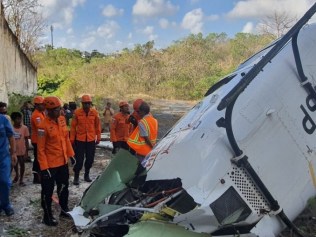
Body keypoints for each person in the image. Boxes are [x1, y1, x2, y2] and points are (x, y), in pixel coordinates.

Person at [37, 96, 74, 226]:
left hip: (62, 162)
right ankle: (47, 216)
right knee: (47, 191)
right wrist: (44, 168)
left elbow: (66, 139)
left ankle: (64, 210)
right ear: (50, 110)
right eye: (58, 109)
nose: (61, 111)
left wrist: (71, 155)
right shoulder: (43, 126)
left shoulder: (62, 120)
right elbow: (40, 149)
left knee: (64, 188)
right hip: (50, 165)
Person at [70, 94, 101, 185]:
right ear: (82, 104)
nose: (86, 105)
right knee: (79, 160)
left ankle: (86, 175)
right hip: (80, 140)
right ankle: (76, 176)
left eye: (88, 103)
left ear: (90, 104)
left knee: (90, 159)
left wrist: (98, 137)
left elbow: (97, 126)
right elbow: (73, 127)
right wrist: (72, 139)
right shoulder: (77, 113)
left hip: (91, 140)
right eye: (85, 103)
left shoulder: (95, 113)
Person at [0, 111, 17, 216]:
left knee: (5, 182)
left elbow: (11, 136)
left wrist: (13, 153)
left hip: (3, 157)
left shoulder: (3, 120)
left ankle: (6, 205)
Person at [10, 112, 30, 186]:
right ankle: (17, 175)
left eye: (20, 119)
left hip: (22, 150)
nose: (19, 120)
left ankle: (21, 179)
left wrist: (26, 151)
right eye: (17, 119)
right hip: (13, 150)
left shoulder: (24, 128)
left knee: (22, 164)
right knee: (14, 164)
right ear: (13, 120)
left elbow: (26, 140)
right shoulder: (11, 128)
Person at [30, 96, 46, 184]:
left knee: (39, 158)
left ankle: (39, 176)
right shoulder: (36, 115)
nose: (44, 106)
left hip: (40, 140)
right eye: (42, 104)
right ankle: (36, 177)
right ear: (37, 105)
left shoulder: (42, 113)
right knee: (38, 159)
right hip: (37, 141)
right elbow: (41, 128)